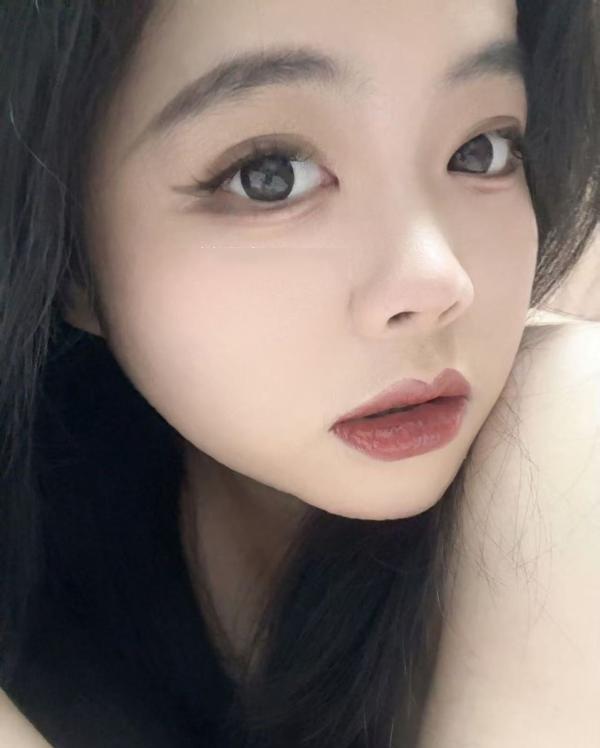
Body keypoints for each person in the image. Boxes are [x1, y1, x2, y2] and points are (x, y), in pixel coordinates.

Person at [0, 1, 598, 746]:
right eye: (271, 177)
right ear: (68, 257)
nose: (438, 282)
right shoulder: (52, 533)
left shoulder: (570, 438)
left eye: (482, 150)